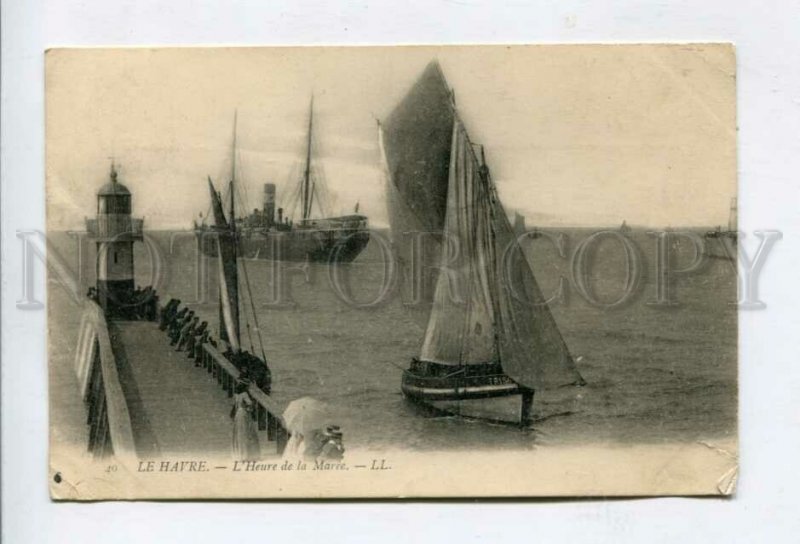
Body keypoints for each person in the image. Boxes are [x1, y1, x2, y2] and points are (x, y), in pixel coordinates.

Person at [230, 379, 260, 461]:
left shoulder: (236, 395)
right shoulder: (244, 394)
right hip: (244, 413)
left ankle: (240, 454)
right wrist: (251, 406)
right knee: (247, 432)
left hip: (238, 414)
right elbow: (249, 404)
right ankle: (248, 454)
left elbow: (234, 405)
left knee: (239, 433)